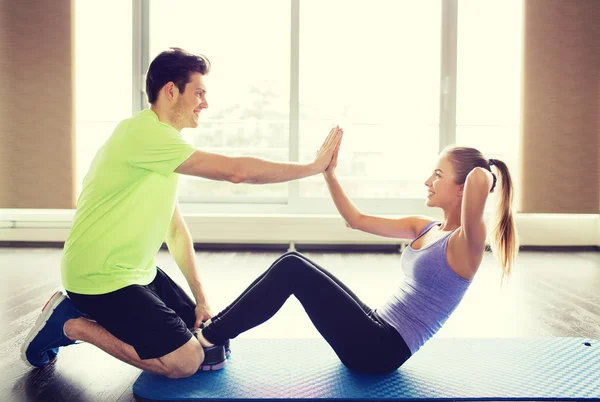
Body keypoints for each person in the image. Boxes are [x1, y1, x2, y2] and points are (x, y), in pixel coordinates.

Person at [20, 47, 343, 379]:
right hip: (99, 278)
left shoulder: (164, 147)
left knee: (211, 344)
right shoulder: (143, 135)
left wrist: (201, 299)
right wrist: (312, 167)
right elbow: (237, 172)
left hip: (137, 274)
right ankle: (72, 324)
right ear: (171, 91)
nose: (205, 103)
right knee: (186, 361)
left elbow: (174, 231)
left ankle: (88, 314)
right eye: (199, 93)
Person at [194, 140, 519, 373]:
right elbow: (356, 220)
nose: (427, 181)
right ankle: (216, 334)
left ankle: (209, 337)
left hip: (381, 350)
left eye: (437, 174)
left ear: (462, 188)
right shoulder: (425, 227)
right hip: (377, 326)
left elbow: (478, 179)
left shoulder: (468, 243)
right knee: (294, 263)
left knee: (292, 268)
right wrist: (329, 174)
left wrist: (485, 170)